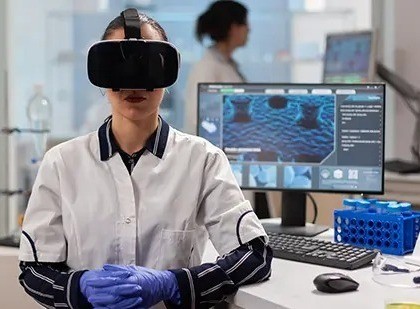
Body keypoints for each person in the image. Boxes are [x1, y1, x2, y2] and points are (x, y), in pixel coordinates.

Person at [18, 8, 272, 309]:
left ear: (167, 73)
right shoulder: (60, 163)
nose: (134, 84)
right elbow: (34, 269)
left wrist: (175, 284)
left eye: (148, 66)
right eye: (120, 65)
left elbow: (255, 257)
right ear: (101, 73)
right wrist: (78, 288)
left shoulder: (203, 160)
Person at [184, 0, 249, 134]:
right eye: (245, 23)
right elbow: (198, 120)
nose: (249, 29)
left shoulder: (227, 65)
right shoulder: (207, 68)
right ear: (233, 28)